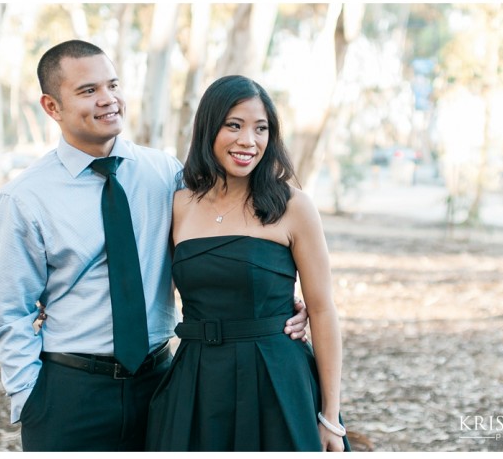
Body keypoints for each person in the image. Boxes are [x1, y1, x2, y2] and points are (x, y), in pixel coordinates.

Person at [0, 40, 309, 452]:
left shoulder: (166, 175)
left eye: (112, 85)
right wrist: (29, 397)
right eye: (88, 91)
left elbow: (218, 246)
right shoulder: (25, 198)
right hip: (70, 393)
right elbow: (8, 311)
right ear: (51, 107)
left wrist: (280, 301)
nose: (108, 100)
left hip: (164, 384)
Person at [145, 75, 351, 452]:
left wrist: (330, 417)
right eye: (234, 125)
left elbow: (322, 310)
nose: (248, 141)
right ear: (209, 128)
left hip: (276, 377)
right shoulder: (178, 205)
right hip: (197, 381)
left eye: (261, 129)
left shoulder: (293, 206)